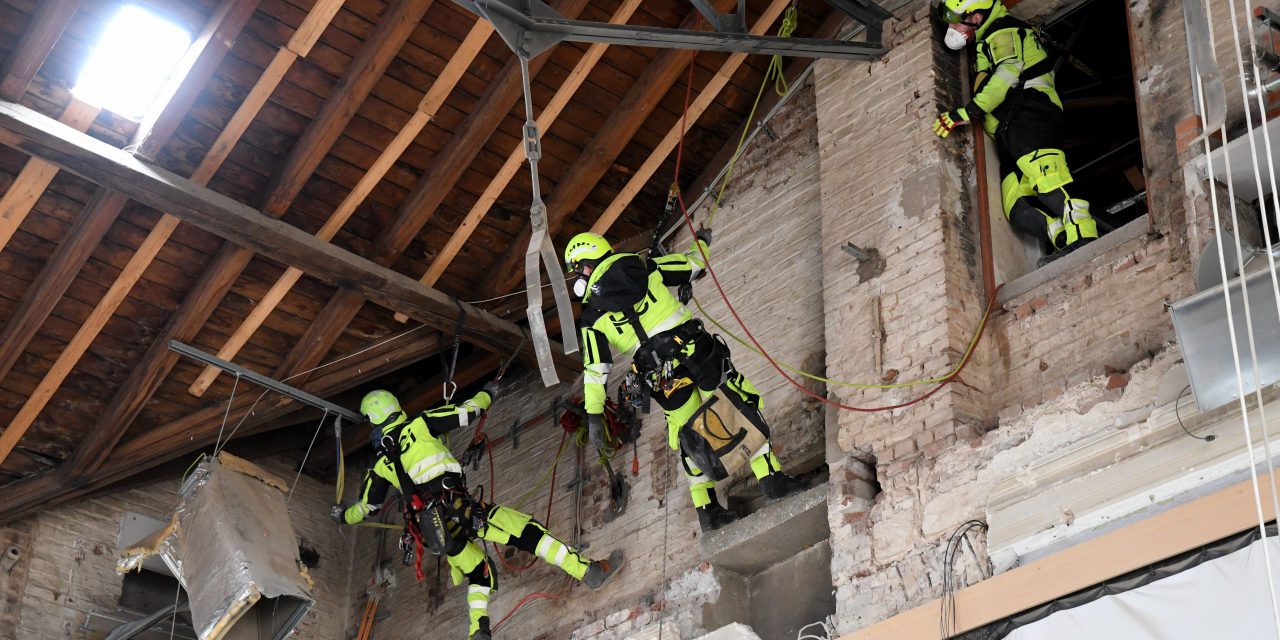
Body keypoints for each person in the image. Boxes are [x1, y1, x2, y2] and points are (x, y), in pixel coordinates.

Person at [333, 386, 623, 640]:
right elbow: (466, 412)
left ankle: (478, 633)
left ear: (375, 420)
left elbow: (365, 508)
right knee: (528, 533)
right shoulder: (419, 425)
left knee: (478, 570)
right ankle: (590, 571)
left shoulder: (381, 466)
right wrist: (489, 393)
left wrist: (342, 515)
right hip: (460, 511)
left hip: (435, 533)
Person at [564, 231, 807, 533]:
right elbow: (693, 265)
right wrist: (701, 240)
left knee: (687, 435)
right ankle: (772, 480)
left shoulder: (591, 318)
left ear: (587, 266)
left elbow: (595, 370)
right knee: (736, 405)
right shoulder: (646, 267)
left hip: (662, 378)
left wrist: (595, 415)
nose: (579, 278)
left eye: (578, 270)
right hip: (696, 351)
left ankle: (707, 510)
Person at [931, 0, 1098, 261]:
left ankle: (1084, 237)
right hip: (1008, 127)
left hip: (1030, 111)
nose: (952, 27)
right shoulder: (985, 41)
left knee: (1048, 179)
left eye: (956, 20)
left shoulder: (1002, 32)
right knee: (1016, 206)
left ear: (976, 17)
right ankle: (1065, 241)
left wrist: (967, 112)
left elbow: (1007, 76)